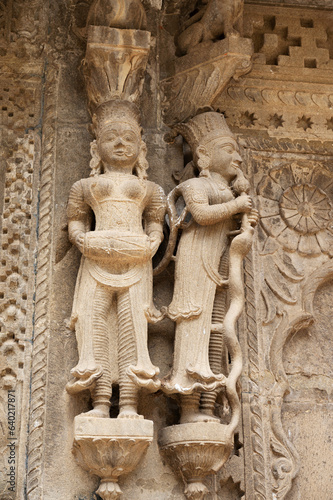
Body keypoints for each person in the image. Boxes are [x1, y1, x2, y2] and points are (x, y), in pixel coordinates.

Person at [66, 100, 166, 419]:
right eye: (112, 137)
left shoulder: (150, 188)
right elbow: (76, 219)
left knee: (133, 328)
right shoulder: (85, 186)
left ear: (142, 146)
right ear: (96, 148)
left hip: (136, 260)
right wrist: (79, 236)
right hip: (96, 259)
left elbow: (155, 221)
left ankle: (128, 405)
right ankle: (98, 402)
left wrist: (155, 239)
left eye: (128, 138)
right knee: (93, 325)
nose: (121, 143)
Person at [161, 111, 257, 424]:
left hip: (217, 263)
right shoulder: (194, 186)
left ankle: (208, 404)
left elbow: (227, 227)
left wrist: (245, 224)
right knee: (195, 326)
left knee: (217, 329)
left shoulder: (230, 192)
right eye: (229, 149)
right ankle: (190, 408)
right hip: (196, 259)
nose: (238, 157)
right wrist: (237, 206)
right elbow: (201, 215)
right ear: (204, 155)